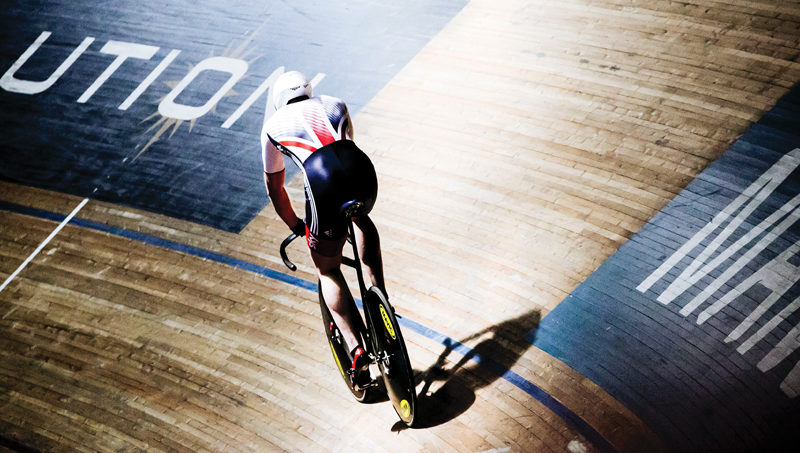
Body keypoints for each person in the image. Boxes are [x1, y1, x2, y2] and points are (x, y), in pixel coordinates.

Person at [260, 71, 385, 389]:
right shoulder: (335, 103)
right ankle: (380, 301)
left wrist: (296, 224)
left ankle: (356, 351)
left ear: (278, 101)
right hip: (360, 170)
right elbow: (347, 146)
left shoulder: (272, 127)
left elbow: (275, 189)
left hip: (322, 181)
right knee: (360, 217)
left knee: (327, 269)